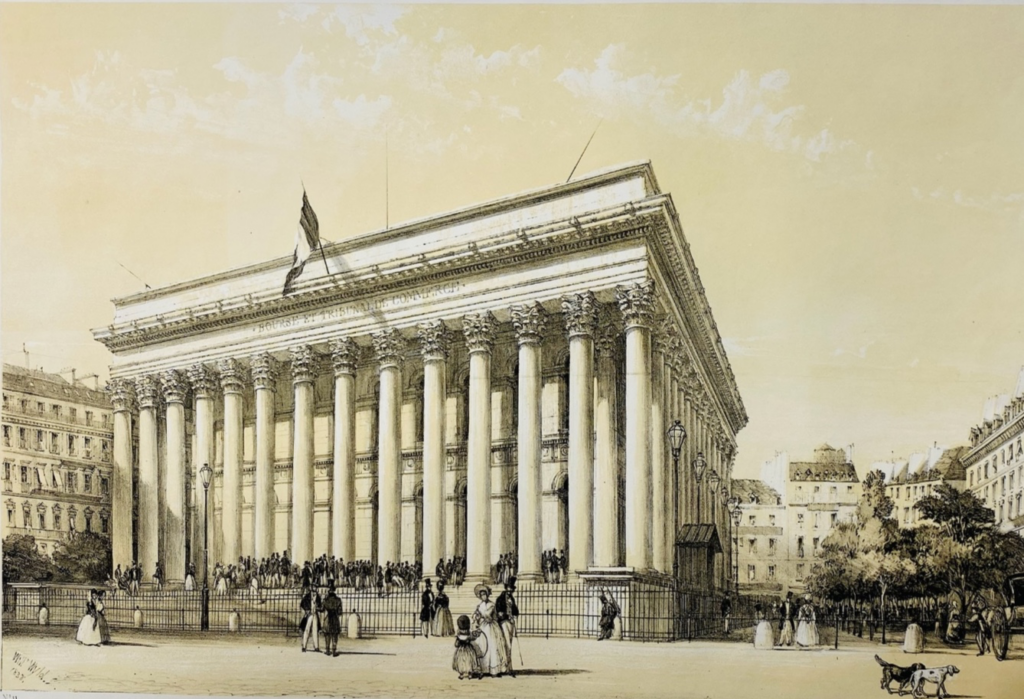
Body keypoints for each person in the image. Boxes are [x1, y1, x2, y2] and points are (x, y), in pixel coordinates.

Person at [472, 583, 511, 677]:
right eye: (481, 595)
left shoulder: (492, 605)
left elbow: (488, 617)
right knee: (483, 646)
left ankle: (494, 670)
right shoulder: (479, 605)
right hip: (483, 627)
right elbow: (474, 616)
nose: (483, 596)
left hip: (491, 627)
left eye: (484, 594)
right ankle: (483, 669)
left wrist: (480, 613)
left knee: (493, 646)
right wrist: (475, 616)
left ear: (487, 595)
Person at [495, 577, 519, 676]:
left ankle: (508, 667)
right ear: (506, 588)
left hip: (510, 623)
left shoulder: (511, 598)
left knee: (509, 645)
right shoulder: (500, 599)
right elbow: (499, 612)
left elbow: (516, 611)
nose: (510, 590)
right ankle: (504, 667)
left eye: (512, 589)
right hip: (503, 623)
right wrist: (507, 616)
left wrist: (514, 615)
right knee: (506, 644)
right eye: (509, 588)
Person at [453, 615, 482, 680]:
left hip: (460, 651)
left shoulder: (458, 636)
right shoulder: (469, 635)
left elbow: (456, 644)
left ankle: (462, 674)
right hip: (469, 650)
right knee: (469, 661)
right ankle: (469, 673)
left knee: (461, 662)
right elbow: (474, 637)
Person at [322, 584, 343, 657]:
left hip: (328, 618)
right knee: (335, 634)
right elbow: (340, 612)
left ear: (328, 591)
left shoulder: (325, 600)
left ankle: (327, 650)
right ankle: (334, 651)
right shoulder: (338, 600)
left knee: (327, 634)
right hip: (335, 618)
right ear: (334, 591)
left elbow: (322, 609)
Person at [299, 584, 322, 653]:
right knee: (306, 630)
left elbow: (320, 605)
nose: (315, 588)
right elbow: (302, 604)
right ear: (311, 588)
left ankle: (316, 647)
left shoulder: (318, 596)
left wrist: (318, 608)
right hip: (309, 615)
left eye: (316, 587)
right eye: (314, 587)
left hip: (315, 614)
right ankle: (304, 646)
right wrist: (307, 609)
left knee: (315, 630)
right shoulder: (307, 596)